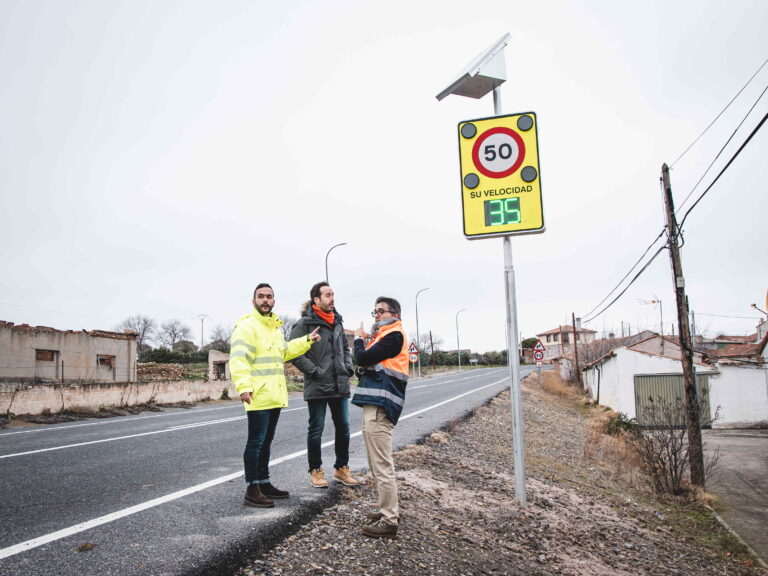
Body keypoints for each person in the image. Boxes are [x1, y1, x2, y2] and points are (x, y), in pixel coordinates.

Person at [229, 283, 320, 508]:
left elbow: (285, 352)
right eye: (261, 297)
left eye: (269, 297)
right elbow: (239, 359)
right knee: (255, 442)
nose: (265, 300)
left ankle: (264, 482)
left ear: (274, 301)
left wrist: (307, 340)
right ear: (254, 301)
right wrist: (243, 386)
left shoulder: (274, 328)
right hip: (257, 394)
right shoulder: (247, 326)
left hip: (274, 394)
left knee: (266, 441)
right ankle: (252, 489)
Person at [290, 282, 359, 488]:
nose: (332, 298)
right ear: (316, 300)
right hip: (318, 385)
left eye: (333, 294)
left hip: (339, 384)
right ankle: (316, 471)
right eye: (328, 295)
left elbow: (345, 349)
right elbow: (294, 353)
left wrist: (347, 368)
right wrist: (315, 371)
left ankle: (341, 469)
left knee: (344, 428)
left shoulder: (337, 321)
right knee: (316, 430)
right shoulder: (304, 324)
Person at [351, 296, 409, 539]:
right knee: (377, 463)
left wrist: (358, 339)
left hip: (381, 406)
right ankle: (386, 509)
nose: (376, 315)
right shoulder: (384, 336)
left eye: (380, 311)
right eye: (374, 311)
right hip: (374, 404)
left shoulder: (393, 335)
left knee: (382, 464)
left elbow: (363, 358)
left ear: (393, 313)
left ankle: (389, 519)